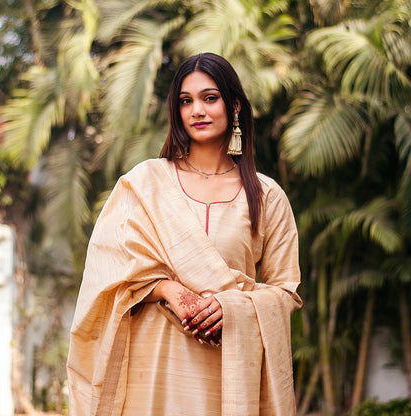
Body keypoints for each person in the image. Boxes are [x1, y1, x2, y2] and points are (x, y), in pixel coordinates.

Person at [66, 52, 302, 416]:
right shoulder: (143, 185)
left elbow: (285, 291)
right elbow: (106, 275)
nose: (197, 111)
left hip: (228, 376)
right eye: (186, 101)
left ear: (234, 104)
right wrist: (167, 289)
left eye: (210, 98)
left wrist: (231, 306)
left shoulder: (266, 196)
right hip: (152, 375)